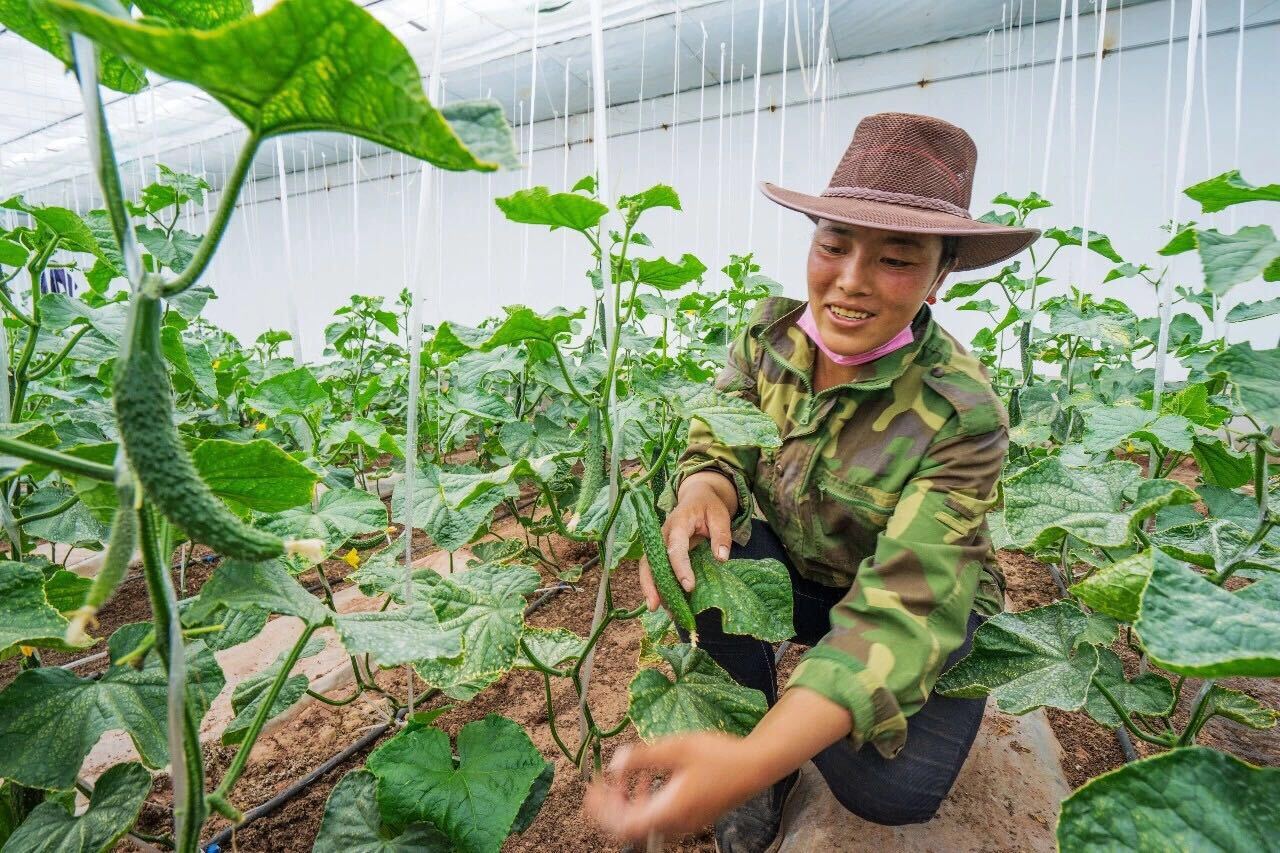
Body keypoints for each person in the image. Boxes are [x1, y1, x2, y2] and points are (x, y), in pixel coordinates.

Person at [584, 112, 1040, 851]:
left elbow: (902, 612)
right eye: (833, 245)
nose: (850, 281)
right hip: (805, 574)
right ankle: (769, 738)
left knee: (891, 789)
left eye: (896, 260)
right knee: (699, 558)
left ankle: (772, 736)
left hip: (918, 603)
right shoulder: (765, 339)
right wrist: (705, 489)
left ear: (941, 271)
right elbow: (717, 440)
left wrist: (744, 758)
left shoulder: (962, 410)